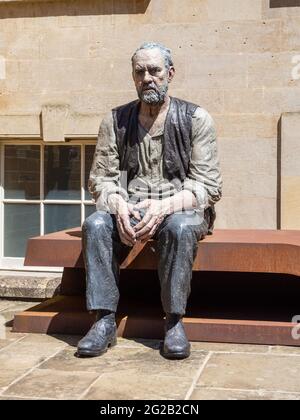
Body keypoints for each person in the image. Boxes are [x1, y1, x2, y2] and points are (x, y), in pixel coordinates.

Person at [77, 42, 222, 360]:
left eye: (155, 70)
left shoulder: (196, 118)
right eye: (140, 71)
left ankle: (174, 322)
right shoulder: (115, 121)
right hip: (131, 208)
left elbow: (209, 187)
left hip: (182, 207)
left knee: (180, 228)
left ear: (170, 73)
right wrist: (117, 204)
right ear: (133, 76)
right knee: (96, 223)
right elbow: (100, 181)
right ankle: (103, 321)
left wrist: (165, 206)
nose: (148, 78)